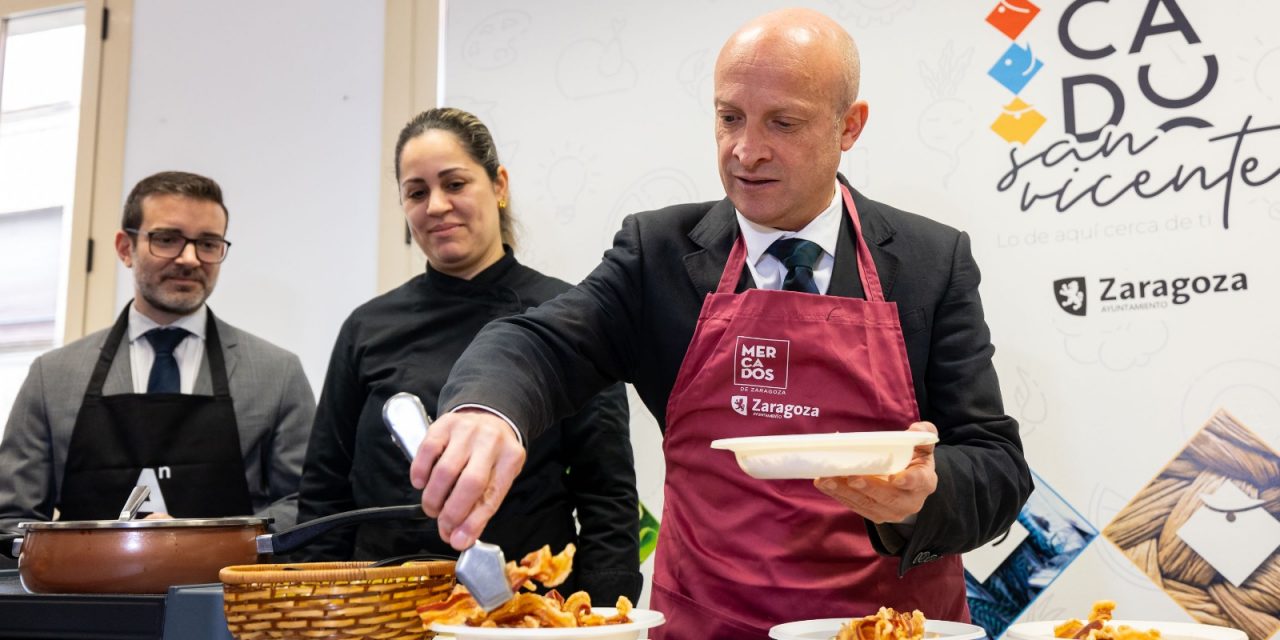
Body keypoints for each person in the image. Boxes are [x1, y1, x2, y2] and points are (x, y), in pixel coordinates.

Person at [409, 8, 1034, 638]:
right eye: (728, 117)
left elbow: (997, 465)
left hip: (888, 623)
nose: (745, 150)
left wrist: (925, 493)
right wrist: (487, 410)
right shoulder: (656, 253)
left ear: (850, 126)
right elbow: (541, 342)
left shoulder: (930, 262)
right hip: (709, 624)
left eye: (782, 123)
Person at [295, 108, 642, 603]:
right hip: (381, 610)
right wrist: (315, 610)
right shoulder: (367, 328)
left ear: (498, 185)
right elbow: (325, 492)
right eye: (417, 192)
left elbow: (607, 498)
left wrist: (608, 617)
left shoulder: (568, 320)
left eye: (454, 183)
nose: (436, 205)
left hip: (527, 609)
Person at [0, 171, 315, 532]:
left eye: (208, 243)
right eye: (167, 239)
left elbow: (305, 503)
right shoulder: (52, 377)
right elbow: (11, 519)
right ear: (124, 248)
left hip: (223, 589)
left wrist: (207, 542)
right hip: (85, 590)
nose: (190, 258)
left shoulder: (277, 374)